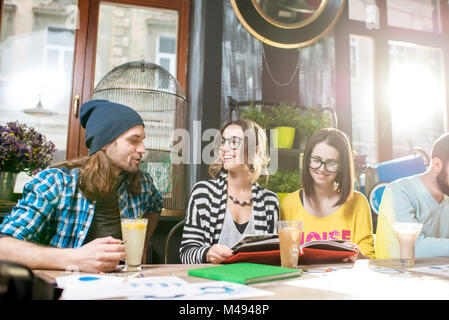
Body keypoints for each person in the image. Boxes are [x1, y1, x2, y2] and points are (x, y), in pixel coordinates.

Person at [0, 99, 163, 273]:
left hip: (121, 286)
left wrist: (143, 245)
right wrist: (76, 258)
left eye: (142, 141)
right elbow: (4, 249)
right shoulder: (56, 182)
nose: (142, 149)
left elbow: (155, 205)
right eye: (133, 141)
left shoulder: (143, 183)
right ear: (105, 143)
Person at [180, 119, 279, 264]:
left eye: (233, 142)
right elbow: (186, 254)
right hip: (211, 283)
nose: (224, 148)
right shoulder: (203, 193)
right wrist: (207, 253)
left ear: (255, 150)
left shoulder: (270, 202)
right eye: (223, 141)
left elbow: (273, 257)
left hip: (253, 282)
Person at [280, 128, 375, 261]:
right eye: (316, 160)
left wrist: (359, 257)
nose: (322, 169)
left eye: (331, 163)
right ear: (307, 160)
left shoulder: (358, 202)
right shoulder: (288, 204)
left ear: (342, 166)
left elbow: (369, 258)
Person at [375, 132, 449, 259]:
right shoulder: (398, 192)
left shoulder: (446, 197)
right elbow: (413, 248)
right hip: (398, 276)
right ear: (437, 165)